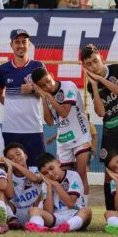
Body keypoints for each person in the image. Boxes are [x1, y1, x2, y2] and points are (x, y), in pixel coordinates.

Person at [81, 43, 118, 210]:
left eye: (95, 61)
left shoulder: (116, 69)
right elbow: (100, 113)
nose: (93, 66)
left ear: (101, 57)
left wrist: (100, 79)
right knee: (110, 174)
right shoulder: (90, 85)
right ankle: (111, 213)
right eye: (89, 64)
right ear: (84, 66)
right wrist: (93, 85)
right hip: (111, 132)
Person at [32, 66, 92, 202]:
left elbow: (64, 113)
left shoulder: (68, 86)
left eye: (48, 81)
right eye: (43, 86)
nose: (47, 86)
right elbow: (49, 122)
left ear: (52, 75)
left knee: (81, 174)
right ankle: (66, 208)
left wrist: (48, 96)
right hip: (63, 140)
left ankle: (84, 208)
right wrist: (44, 100)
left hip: (80, 136)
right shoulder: (46, 96)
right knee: (62, 177)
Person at [0, 29, 45, 166]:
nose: (21, 45)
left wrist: (33, 88)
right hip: (10, 129)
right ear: (11, 44)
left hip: (33, 128)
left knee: (38, 167)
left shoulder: (38, 66)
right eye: (17, 42)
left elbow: (47, 94)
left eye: (24, 42)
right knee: (12, 167)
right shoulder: (3, 69)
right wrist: (12, 106)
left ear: (29, 45)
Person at [24, 152, 92, 233]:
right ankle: (38, 227)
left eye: (51, 168)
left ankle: (67, 226)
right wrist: (49, 187)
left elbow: (70, 203)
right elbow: (49, 212)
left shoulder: (73, 176)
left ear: (58, 163)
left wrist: (56, 185)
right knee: (33, 210)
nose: (50, 173)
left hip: (75, 214)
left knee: (86, 211)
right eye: (45, 173)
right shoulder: (46, 183)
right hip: (57, 217)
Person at [1, 143, 43, 228]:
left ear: (26, 156)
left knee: (46, 189)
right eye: (11, 158)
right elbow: (9, 195)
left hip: (37, 210)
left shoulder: (35, 169)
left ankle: (35, 224)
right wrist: (9, 168)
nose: (16, 158)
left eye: (18, 154)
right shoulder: (7, 175)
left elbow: (35, 178)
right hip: (17, 212)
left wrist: (14, 164)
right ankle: (13, 220)